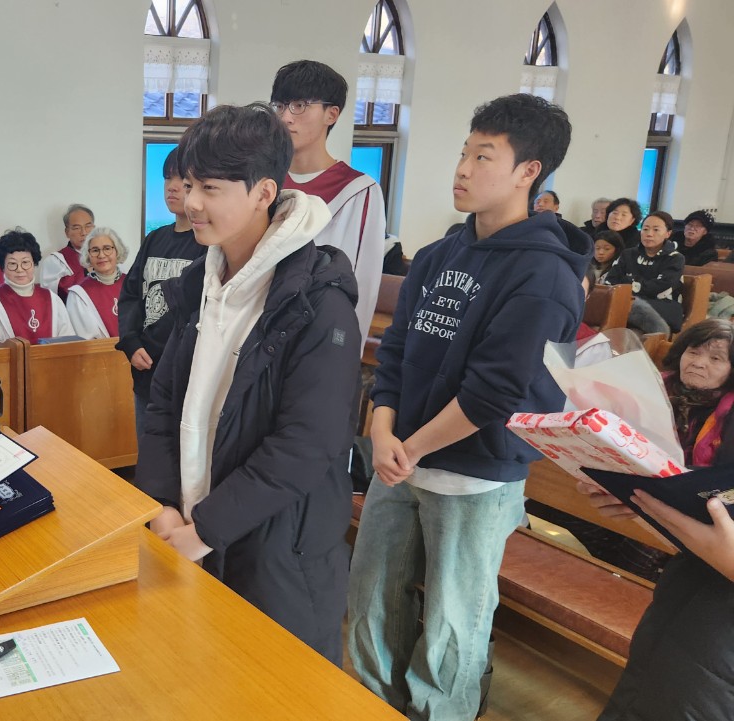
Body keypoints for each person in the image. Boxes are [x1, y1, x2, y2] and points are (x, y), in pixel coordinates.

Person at [348, 94, 588, 721]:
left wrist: (408, 447)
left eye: (483, 157)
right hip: (400, 460)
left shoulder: (545, 274)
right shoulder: (438, 255)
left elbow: (496, 391)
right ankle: (370, 705)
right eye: (464, 152)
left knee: (454, 622)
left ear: (528, 172)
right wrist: (381, 429)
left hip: (474, 474)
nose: (461, 168)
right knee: (371, 598)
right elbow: (396, 352)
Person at [135, 103, 360, 664]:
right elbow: (163, 403)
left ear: (263, 192)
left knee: (274, 682)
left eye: (210, 188)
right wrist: (163, 503)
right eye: (189, 184)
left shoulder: (318, 302)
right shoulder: (202, 283)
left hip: (276, 550)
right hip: (193, 526)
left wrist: (205, 529)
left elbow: (306, 443)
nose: (191, 202)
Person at [577, 319, 734, 721]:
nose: (699, 363)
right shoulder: (657, 392)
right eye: (694, 352)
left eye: (716, 358)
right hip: (688, 585)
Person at [270, 60, 386, 336]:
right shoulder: (266, 183)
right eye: (280, 106)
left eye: (299, 105)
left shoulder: (358, 191)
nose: (286, 118)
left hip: (319, 335)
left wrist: (345, 352)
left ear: (331, 114)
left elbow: (362, 284)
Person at [117, 148, 206, 438]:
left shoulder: (207, 244)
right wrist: (131, 343)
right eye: (168, 178)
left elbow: (198, 307)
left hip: (183, 371)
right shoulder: (155, 238)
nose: (172, 187)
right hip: (146, 369)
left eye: (183, 181)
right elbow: (131, 294)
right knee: (148, 453)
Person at [0, 228, 75, 349]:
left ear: (34, 263)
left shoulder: (52, 299)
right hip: (10, 361)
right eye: (12, 264)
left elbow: (68, 343)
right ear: (3, 266)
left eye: (25, 262)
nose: (19, 269)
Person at [606, 211, 685, 335]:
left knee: (628, 307)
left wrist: (629, 283)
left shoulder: (675, 258)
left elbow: (661, 288)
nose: (649, 234)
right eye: (645, 229)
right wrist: (636, 287)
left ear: (668, 233)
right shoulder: (628, 254)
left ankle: (659, 332)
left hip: (663, 306)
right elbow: (611, 280)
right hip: (626, 303)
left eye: (656, 230)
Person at [66, 227, 127, 339]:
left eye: (107, 248)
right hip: (101, 350)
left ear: (117, 251)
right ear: (88, 256)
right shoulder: (79, 294)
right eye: (95, 250)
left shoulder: (133, 284)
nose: (101, 255)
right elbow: (86, 340)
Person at [39, 204, 95, 300]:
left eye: (88, 226)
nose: (84, 232)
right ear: (67, 232)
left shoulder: (107, 257)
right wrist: (87, 271)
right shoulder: (55, 261)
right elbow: (52, 296)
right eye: (77, 228)